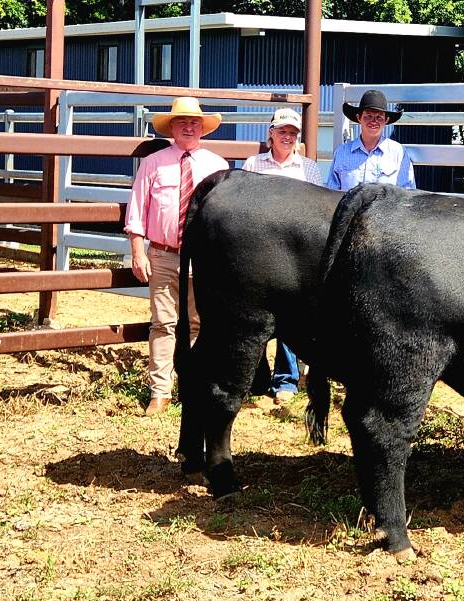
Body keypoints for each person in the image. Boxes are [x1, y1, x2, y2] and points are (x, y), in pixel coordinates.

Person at [125, 97, 228, 415]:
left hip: (203, 257)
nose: (189, 126)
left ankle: (193, 387)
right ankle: (160, 391)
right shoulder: (153, 163)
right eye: (182, 121)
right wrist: (138, 252)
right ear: (171, 126)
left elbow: (225, 217)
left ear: (203, 128)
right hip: (164, 255)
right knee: (163, 323)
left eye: (194, 122)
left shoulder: (217, 166)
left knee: (199, 323)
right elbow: (137, 210)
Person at [241, 108, 322, 404]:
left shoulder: (309, 168)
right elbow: (245, 207)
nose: (287, 137)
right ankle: (257, 377)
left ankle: (286, 380)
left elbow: (317, 213)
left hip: (294, 254)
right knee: (256, 314)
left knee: (290, 316)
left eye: (293, 133)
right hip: (259, 250)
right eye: (282, 131)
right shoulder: (253, 164)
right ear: (271, 134)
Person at [326, 89, 416, 191]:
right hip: (350, 207)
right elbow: (331, 193)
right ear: (359, 118)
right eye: (368, 116)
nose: (373, 121)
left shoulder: (398, 153)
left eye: (379, 117)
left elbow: (407, 193)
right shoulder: (342, 152)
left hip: (386, 207)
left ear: (386, 120)